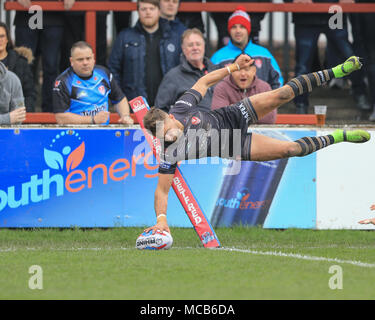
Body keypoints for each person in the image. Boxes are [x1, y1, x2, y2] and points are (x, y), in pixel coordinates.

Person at [141, 55, 370, 233]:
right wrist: (161, 220)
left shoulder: (180, 108)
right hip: (233, 145)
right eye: (164, 138)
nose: (170, 138)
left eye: (169, 132)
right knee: (292, 150)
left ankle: (339, 70)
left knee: (282, 94)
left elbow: (203, 81)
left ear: (170, 118)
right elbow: (161, 191)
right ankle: (340, 136)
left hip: (232, 115)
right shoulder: (168, 152)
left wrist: (232, 68)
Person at [285, 0, 370, 114]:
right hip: (306, 13)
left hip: (333, 11)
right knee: (303, 65)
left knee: (349, 57)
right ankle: (301, 104)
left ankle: (360, 92)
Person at [108, 0, 182, 107]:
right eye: (143, 9)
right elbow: (113, 70)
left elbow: (183, 69)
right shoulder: (124, 37)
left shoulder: (174, 37)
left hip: (167, 105)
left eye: (151, 9)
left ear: (159, 11)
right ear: (138, 11)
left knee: (161, 124)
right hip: (134, 105)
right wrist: (120, 99)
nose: (148, 12)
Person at [13, 0, 74, 112]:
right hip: (26, 12)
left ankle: (50, 111)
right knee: (24, 66)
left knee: (51, 67)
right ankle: (24, 109)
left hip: (53, 13)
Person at [52, 41, 133, 125]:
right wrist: (92, 119)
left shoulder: (103, 73)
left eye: (88, 58)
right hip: (76, 134)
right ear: (71, 61)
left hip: (103, 132)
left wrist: (125, 116)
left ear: (93, 58)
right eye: (80, 60)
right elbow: (61, 117)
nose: (85, 63)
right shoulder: (63, 81)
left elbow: (120, 99)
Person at [211, 6, 283, 90]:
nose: (238, 31)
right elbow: (210, 84)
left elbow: (277, 80)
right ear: (229, 31)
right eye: (234, 27)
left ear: (248, 30)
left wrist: (272, 100)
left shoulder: (264, 54)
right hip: (228, 102)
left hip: (262, 102)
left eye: (242, 27)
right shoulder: (218, 57)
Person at [155, 28, 217, 113]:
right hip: (190, 125)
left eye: (198, 44)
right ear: (183, 49)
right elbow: (160, 110)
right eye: (190, 45)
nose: (195, 48)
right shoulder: (173, 77)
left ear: (204, 46)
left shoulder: (216, 71)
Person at [212, 54, 276, 124]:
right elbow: (219, 117)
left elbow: (270, 118)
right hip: (231, 133)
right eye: (238, 69)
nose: (242, 74)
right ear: (232, 71)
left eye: (247, 69)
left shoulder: (264, 88)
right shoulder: (222, 87)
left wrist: (233, 111)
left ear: (254, 71)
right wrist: (257, 111)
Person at [0, 22, 36, 112]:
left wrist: (24, 115)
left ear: (8, 39)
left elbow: (29, 93)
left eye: (2, 36)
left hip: (17, 116)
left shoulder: (21, 62)